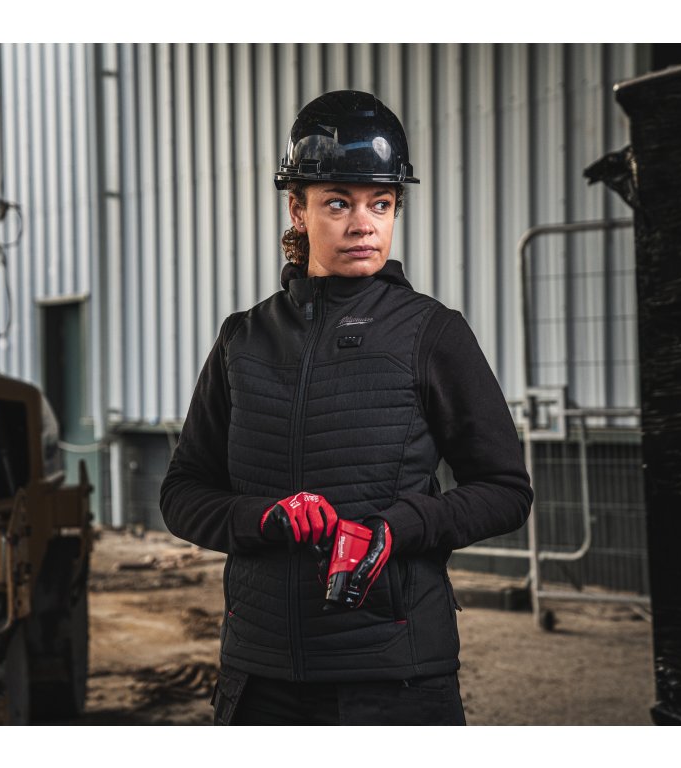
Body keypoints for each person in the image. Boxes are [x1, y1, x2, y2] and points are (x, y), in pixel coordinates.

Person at [160, 90, 533, 725]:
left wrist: (396, 529)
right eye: (338, 203)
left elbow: (505, 490)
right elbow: (182, 494)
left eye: (380, 203)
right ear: (297, 209)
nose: (364, 224)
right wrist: (265, 517)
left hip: (393, 678)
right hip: (261, 677)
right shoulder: (243, 339)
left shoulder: (431, 333)